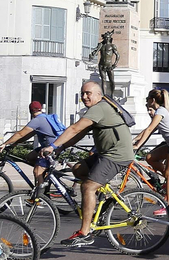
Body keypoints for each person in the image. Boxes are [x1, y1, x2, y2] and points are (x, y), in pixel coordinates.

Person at [44, 81, 136, 247]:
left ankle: (85, 233)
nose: (85, 96)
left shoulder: (99, 108)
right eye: (83, 93)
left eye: (88, 93)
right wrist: (62, 147)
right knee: (78, 169)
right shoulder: (97, 109)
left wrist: (52, 146)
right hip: (106, 153)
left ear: (99, 95)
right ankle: (102, 200)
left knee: (88, 187)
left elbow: (74, 128)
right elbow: (80, 132)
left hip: (117, 155)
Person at [134, 89, 169, 218]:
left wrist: (138, 145)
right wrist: (134, 140)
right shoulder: (159, 112)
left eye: (147, 99)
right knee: (150, 158)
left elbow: (149, 129)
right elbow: (147, 131)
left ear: (152, 100)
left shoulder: (160, 111)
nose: (147, 102)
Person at [0, 101, 65, 183]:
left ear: (30, 111)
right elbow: (27, 135)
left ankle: (40, 194)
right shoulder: (44, 118)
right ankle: (45, 172)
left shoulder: (37, 120)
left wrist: (5, 143)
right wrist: (15, 143)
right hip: (50, 146)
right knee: (30, 157)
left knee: (37, 172)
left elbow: (20, 134)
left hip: (52, 148)